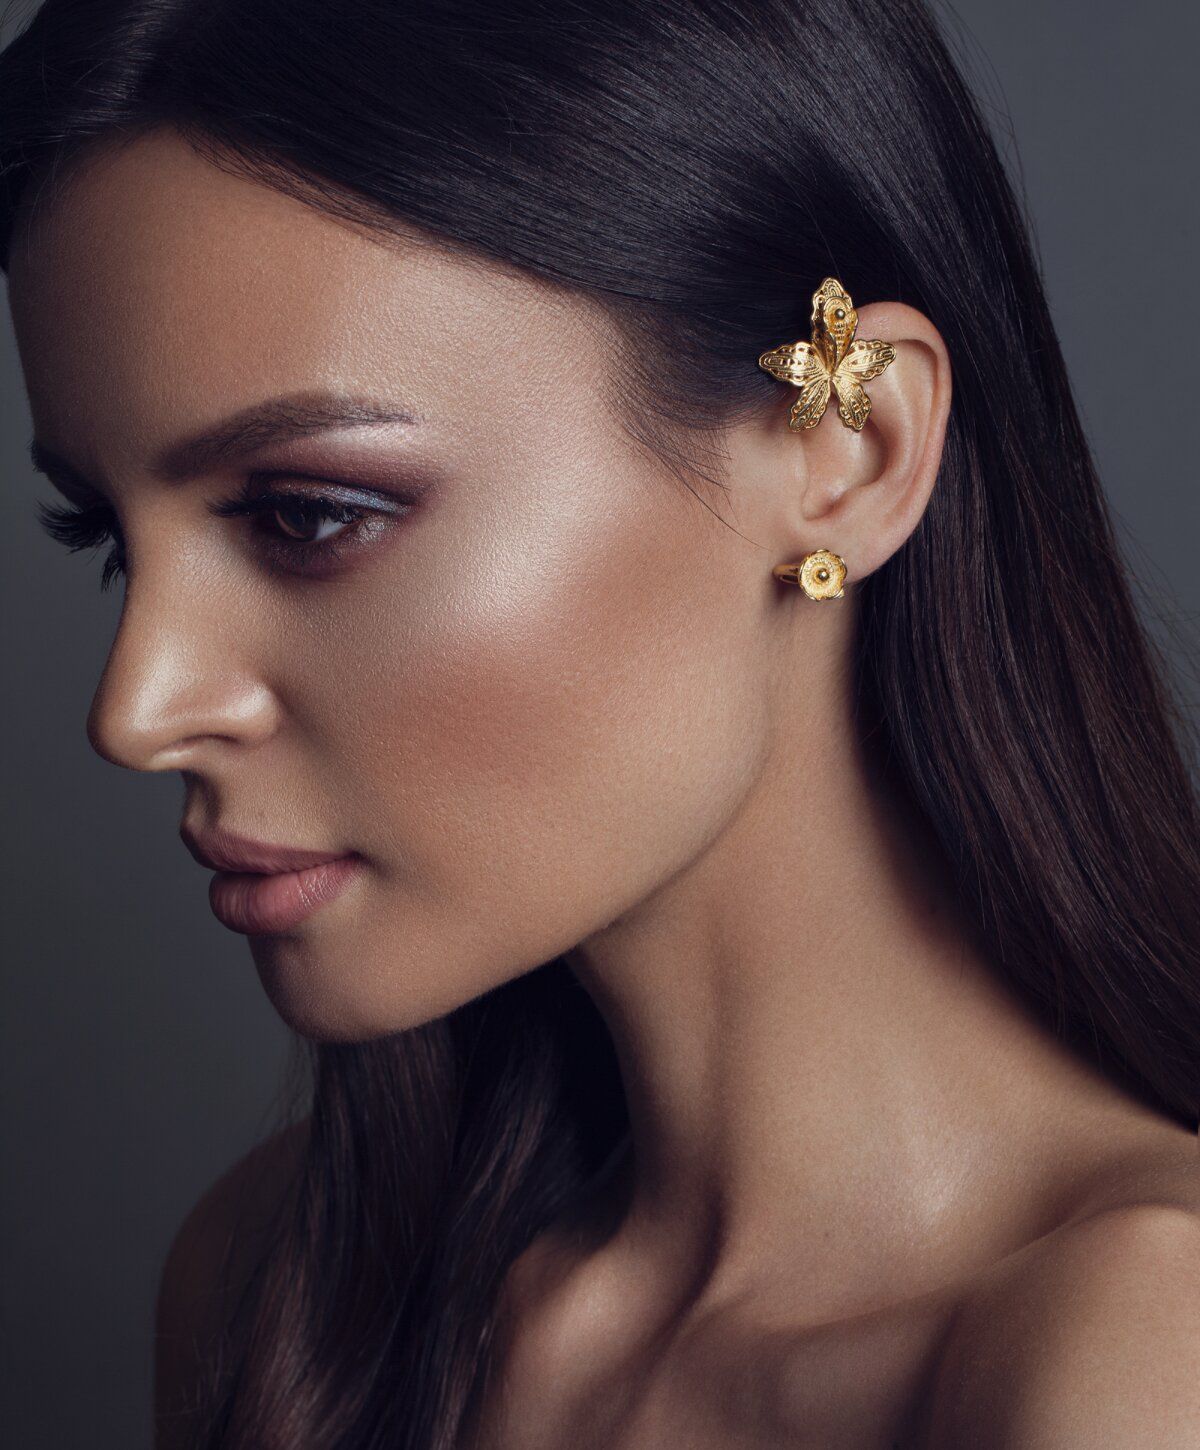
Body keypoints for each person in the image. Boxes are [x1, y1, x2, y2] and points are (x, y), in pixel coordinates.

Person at [2, 0, 1198, 1445]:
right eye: (115, 542)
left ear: (843, 450)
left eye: (311, 514)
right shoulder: (282, 1296)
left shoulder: (1140, 1354)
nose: (136, 710)